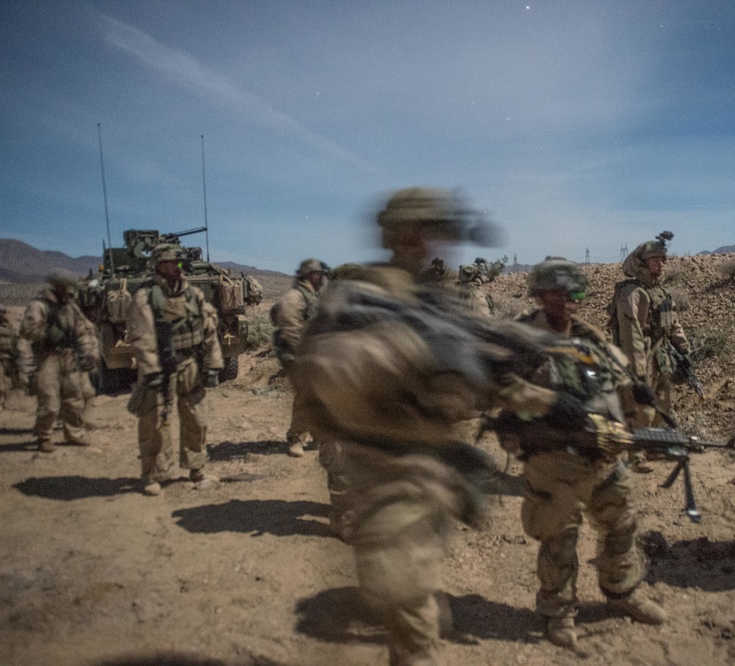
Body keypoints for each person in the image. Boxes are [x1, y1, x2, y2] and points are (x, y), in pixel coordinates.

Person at [291, 188, 576, 665]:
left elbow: (488, 378)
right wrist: (416, 354)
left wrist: (552, 402)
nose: (440, 245)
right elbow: (324, 373)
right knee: (414, 621)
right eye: (431, 233)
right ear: (403, 235)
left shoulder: (433, 300)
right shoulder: (359, 292)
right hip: (386, 478)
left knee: (420, 606)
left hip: (432, 478)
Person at [507, 257, 665, 649]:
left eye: (572, 292)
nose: (566, 300)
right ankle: (558, 611)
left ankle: (621, 592)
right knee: (561, 535)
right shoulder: (523, 337)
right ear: (540, 294)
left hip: (602, 450)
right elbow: (500, 387)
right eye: (556, 292)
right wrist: (547, 402)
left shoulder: (589, 336)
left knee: (622, 522)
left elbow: (620, 378)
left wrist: (639, 399)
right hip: (553, 455)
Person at [126, 244, 223, 496]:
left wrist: (212, 365)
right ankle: (152, 475)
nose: (175, 267)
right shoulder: (146, 296)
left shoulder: (193, 294)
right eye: (169, 263)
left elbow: (209, 329)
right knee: (155, 423)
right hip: (161, 366)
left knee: (197, 419)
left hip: (191, 363)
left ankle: (196, 468)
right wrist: (151, 371)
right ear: (158, 265)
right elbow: (141, 336)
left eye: (178, 263)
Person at [613, 234, 691, 471]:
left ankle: (655, 445)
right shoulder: (631, 293)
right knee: (638, 405)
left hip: (662, 354)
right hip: (640, 355)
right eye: (654, 260)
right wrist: (637, 373)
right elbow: (631, 334)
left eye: (662, 259)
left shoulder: (660, 292)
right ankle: (636, 455)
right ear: (641, 263)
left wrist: (684, 348)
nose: (660, 264)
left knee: (662, 400)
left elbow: (672, 322)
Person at [20, 270, 99, 452]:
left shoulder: (70, 307)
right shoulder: (39, 306)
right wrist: (47, 333)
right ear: (58, 286)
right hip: (48, 357)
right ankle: (44, 436)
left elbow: (82, 330)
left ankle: (74, 434)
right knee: (49, 400)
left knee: (74, 397)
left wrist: (88, 352)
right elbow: (26, 330)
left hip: (69, 356)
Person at [270, 258, 328, 457]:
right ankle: (296, 438)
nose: (321, 277)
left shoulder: (315, 296)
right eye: (317, 274)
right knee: (306, 395)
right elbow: (290, 327)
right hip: (296, 355)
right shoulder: (295, 296)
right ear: (308, 275)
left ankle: (319, 435)